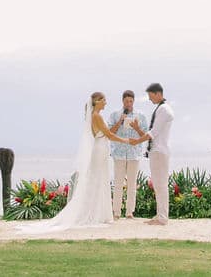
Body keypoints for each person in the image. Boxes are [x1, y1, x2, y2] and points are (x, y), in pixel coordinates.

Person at [22, 92, 130, 232]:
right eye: (104, 100)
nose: (106, 102)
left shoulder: (94, 117)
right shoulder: (97, 116)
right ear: (97, 102)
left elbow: (107, 132)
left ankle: (99, 213)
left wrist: (120, 124)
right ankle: (93, 214)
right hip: (99, 150)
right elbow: (109, 135)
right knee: (96, 179)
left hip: (101, 149)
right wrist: (126, 141)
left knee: (99, 179)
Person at [130, 83, 175, 226]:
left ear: (157, 93)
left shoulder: (164, 109)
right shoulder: (162, 108)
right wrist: (137, 130)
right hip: (157, 150)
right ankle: (160, 215)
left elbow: (153, 133)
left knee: (160, 184)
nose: (150, 100)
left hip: (159, 151)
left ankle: (162, 217)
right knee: (158, 184)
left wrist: (137, 141)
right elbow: (153, 133)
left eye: (150, 96)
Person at [108, 89, 148, 219]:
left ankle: (130, 212)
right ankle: (116, 212)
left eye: (131, 101)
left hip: (134, 154)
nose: (128, 104)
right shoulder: (114, 115)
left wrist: (136, 128)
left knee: (132, 183)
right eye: (126, 101)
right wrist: (120, 121)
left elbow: (146, 135)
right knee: (118, 183)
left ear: (134, 101)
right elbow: (109, 133)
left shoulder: (141, 116)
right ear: (122, 101)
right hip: (118, 153)